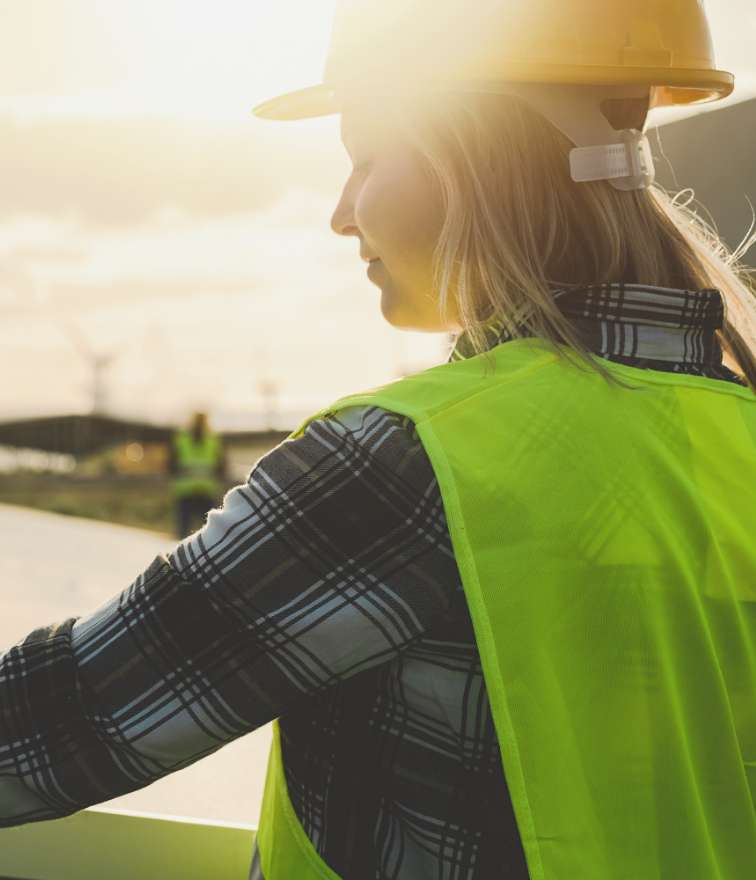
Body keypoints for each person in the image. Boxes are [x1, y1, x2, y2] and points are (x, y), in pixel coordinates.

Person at [1, 2, 755, 879]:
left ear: (473, 153)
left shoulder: (409, 462)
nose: (340, 213)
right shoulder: (733, 434)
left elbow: (61, 723)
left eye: (365, 160)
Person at [168, 410, 226, 538]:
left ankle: (181, 557)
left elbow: (170, 466)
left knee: (183, 534)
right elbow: (222, 468)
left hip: (187, 491)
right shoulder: (213, 441)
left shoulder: (181, 440)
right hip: (205, 491)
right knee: (209, 534)